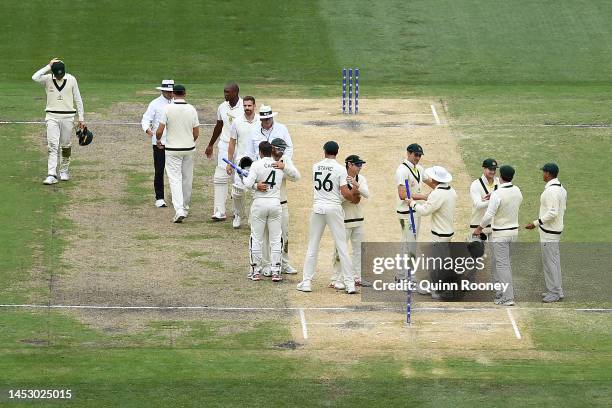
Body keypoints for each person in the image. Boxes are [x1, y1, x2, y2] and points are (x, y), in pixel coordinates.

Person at [297, 141, 359, 294]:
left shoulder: (315, 166)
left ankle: (306, 282)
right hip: (333, 208)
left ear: (324, 151)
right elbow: (345, 193)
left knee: (313, 245)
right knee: (342, 246)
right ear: (337, 152)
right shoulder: (339, 169)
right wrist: (355, 192)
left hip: (318, 207)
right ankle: (350, 284)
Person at [474, 165, 522, 306]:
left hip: (501, 234)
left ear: (500, 176)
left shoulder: (498, 194)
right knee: (505, 264)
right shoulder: (517, 190)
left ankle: (508, 297)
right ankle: (504, 293)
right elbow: (511, 202)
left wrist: (479, 228)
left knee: (502, 266)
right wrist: (494, 196)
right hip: (513, 233)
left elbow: (489, 215)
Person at [32, 58, 85, 184]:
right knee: (52, 145)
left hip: (68, 117)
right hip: (52, 117)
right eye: (57, 74)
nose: (59, 76)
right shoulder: (48, 79)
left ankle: (64, 171)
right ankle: (52, 174)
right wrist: (48, 66)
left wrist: (81, 118)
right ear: (53, 72)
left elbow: (78, 98)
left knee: (65, 145)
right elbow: (35, 77)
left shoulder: (71, 79)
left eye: (61, 74)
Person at [407, 166, 457, 298]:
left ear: (435, 179)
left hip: (439, 233)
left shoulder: (437, 194)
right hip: (447, 232)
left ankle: (438, 291)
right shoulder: (451, 191)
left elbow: (424, 211)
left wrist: (412, 203)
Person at [155, 85, 199, 223]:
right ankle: (185, 208)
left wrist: (158, 140)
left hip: (172, 149)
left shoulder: (167, 109)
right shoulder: (191, 109)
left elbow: (160, 130)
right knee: (187, 179)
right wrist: (189, 141)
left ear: (173, 94)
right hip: (189, 148)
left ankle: (180, 209)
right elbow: (196, 132)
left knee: (175, 179)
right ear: (185, 93)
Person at [242, 141, 285, 282]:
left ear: (260, 152)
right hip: (275, 203)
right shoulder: (279, 165)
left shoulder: (256, 165)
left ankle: (256, 271)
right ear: (271, 151)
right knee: (275, 238)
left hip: (260, 204)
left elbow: (247, 184)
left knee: (256, 237)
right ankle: (276, 271)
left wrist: (255, 184)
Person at [525, 163, 567, 303]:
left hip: (549, 232)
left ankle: (554, 292)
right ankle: (557, 290)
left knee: (550, 263)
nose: (542, 174)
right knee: (553, 262)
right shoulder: (560, 188)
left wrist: (535, 223)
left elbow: (553, 213)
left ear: (548, 174)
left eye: (544, 172)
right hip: (553, 230)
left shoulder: (551, 191)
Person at [259, 138, 301, 276]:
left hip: (282, 203)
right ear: (272, 148)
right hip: (266, 202)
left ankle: (284, 263)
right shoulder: (264, 160)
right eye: (278, 149)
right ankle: (265, 264)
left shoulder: (285, 160)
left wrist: (284, 167)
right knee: (266, 235)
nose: (281, 152)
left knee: (284, 234)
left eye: (283, 149)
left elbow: (296, 177)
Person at [205, 82, 244, 221]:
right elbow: (219, 125)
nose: (225, 94)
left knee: (238, 179)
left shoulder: (244, 107)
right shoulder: (222, 106)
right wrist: (210, 144)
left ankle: (237, 211)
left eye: (228, 92)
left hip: (240, 146)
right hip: (224, 145)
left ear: (236, 93)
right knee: (220, 176)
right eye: (224, 92)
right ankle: (219, 211)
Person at [330, 155, 370, 289]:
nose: (360, 167)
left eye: (361, 165)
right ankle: (335, 278)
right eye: (358, 164)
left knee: (359, 250)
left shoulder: (361, 179)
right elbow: (340, 198)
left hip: (358, 219)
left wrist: (356, 185)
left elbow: (367, 194)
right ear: (349, 164)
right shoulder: (339, 177)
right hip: (343, 221)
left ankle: (357, 277)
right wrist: (354, 195)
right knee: (340, 250)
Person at [395, 143, 435, 251]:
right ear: (408, 153)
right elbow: (402, 194)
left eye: (419, 155)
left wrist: (443, 188)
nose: (418, 158)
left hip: (415, 210)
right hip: (406, 212)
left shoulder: (419, 168)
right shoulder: (402, 170)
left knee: (412, 241)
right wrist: (423, 197)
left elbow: (431, 182)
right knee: (409, 242)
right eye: (415, 155)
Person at [226, 96, 259, 228]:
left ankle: (252, 216)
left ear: (254, 106)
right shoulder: (237, 121)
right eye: (245, 106)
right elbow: (232, 142)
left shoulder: (260, 121)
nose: (247, 108)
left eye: (249, 106)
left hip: (257, 163)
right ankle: (238, 215)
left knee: (255, 192)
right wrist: (229, 162)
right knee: (238, 191)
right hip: (240, 163)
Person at [141, 79, 174, 208]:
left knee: (175, 171)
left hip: (175, 142)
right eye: (168, 92)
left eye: (172, 91)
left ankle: (175, 196)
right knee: (159, 170)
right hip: (159, 143)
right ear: (162, 91)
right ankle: (159, 197)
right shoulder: (154, 104)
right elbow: (145, 119)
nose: (171, 94)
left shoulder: (177, 103)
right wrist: (148, 130)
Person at [469, 158, 500, 280]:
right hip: (478, 226)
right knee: (475, 256)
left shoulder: (499, 183)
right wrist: (494, 200)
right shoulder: (476, 185)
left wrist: (491, 199)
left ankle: (496, 281)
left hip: (494, 226)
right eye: (490, 169)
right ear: (484, 169)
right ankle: (470, 281)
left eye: (494, 169)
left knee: (496, 256)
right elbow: (477, 204)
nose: (492, 171)